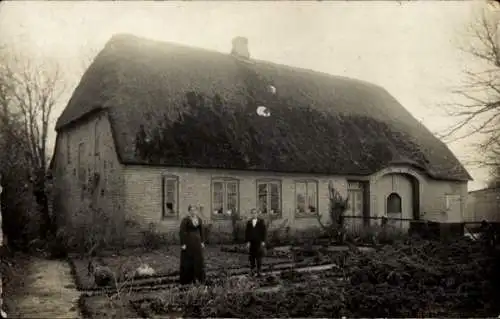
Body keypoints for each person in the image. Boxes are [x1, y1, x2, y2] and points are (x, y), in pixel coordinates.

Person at [179, 205, 205, 285]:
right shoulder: (185, 220)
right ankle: (187, 280)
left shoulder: (199, 219)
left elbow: (202, 231)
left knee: (198, 260)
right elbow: (182, 232)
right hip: (189, 243)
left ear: (196, 211)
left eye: (195, 210)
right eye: (191, 210)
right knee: (189, 260)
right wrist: (183, 243)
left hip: (197, 243)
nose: (193, 212)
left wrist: (202, 242)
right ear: (189, 211)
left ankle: (198, 278)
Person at [245, 208, 267, 277]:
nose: (254, 214)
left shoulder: (261, 222)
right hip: (251, 242)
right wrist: (248, 241)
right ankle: (252, 271)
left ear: (257, 214)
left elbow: (264, 232)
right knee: (251, 257)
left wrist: (263, 241)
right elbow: (247, 233)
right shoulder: (249, 222)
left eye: (255, 213)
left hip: (259, 242)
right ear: (251, 214)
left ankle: (259, 271)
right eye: (253, 213)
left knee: (258, 257)